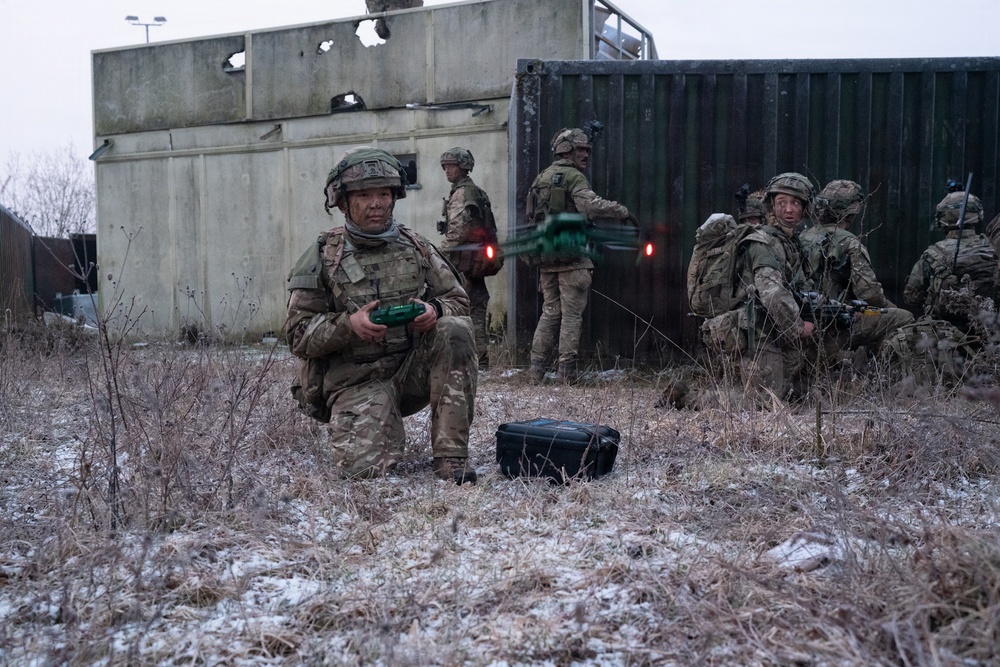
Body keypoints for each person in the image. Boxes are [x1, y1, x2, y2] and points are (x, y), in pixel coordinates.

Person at [284, 147, 478, 484]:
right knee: (364, 472)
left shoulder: (416, 246)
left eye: (384, 193)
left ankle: (451, 459)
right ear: (343, 202)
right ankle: (377, 419)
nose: (377, 203)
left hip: (410, 372)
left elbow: (458, 301)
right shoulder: (324, 256)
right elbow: (298, 334)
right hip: (356, 380)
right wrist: (350, 325)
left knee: (455, 330)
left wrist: (435, 311)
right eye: (364, 195)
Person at [525, 127, 634, 384]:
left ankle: (535, 371)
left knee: (550, 312)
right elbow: (590, 206)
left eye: (587, 149)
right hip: (573, 260)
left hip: (547, 258)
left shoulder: (541, 177)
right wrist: (622, 211)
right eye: (581, 149)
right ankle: (567, 374)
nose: (586, 154)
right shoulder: (574, 177)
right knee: (571, 315)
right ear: (567, 150)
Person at [798, 179, 914, 356]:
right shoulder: (849, 243)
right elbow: (871, 295)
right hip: (832, 326)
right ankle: (884, 375)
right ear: (852, 213)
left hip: (807, 321)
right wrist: (887, 307)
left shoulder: (803, 236)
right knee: (904, 318)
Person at [734, 172, 817, 399]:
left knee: (798, 394)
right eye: (782, 203)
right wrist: (799, 327)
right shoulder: (763, 242)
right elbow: (771, 293)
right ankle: (689, 398)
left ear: (804, 208)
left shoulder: (792, 242)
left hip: (777, 327)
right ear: (772, 206)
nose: (789, 209)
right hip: (757, 330)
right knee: (765, 402)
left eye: (795, 203)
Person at [904, 190, 999, 330]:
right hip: (991, 330)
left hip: (944, 334)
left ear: (941, 219)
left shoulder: (932, 254)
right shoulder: (994, 250)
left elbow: (911, 297)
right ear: (978, 215)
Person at [438, 147, 497, 369]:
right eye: (445, 167)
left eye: (451, 166)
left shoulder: (462, 193)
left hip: (462, 265)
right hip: (476, 263)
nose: (447, 171)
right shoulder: (477, 192)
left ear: (463, 166)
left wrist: (435, 256)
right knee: (477, 313)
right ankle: (481, 363)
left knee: (458, 314)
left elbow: (457, 233)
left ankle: (466, 363)